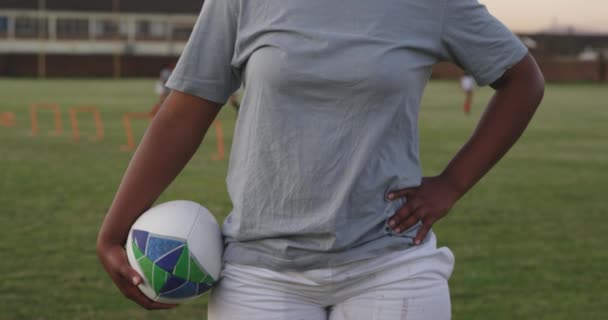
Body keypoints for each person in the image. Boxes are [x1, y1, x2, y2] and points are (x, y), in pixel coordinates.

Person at [97, 0, 544, 318]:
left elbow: (522, 80)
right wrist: (115, 230)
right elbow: (184, 113)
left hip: (390, 262)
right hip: (261, 271)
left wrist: (452, 183)